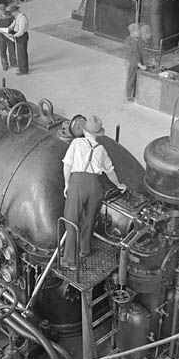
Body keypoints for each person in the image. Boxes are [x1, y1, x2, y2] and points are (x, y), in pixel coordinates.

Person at [62, 115, 126, 269]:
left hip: (78, 183)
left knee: (72, 219)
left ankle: (70, 260)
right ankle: (84, 250)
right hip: (95, 186)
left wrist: (66, 184)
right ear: (97, 134)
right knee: (89, 219)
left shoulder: (77, 142)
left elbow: (67, 165)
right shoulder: (101, 149)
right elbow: (110, 171)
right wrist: (118, 185)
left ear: (84, 131)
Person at [124, 22, 151, 102]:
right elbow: (132, 56)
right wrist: (140, 65)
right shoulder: (128, 42)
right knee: (131, 78)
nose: (139, 32)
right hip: (131, 63)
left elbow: (143, 43)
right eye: (137, 31)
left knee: (136, 78)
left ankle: (135, 94)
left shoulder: (136, 39)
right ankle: (129, 96)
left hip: (137, 61)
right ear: (132, 32)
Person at [7, 4, 29, 75]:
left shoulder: (22, 18)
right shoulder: (17, 17)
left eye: (12, 12)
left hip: (22, 37)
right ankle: (21, 67)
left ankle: (23, 70)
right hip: (19, 36)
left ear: (16, 11)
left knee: (22, 54)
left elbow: (21, 32)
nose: (12, 14)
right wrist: (9, 28)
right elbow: (14, 23)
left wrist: (13, 35)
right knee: (20, 53)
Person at [0, 4, 17, 71]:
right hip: (1, 36)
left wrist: (11, 29)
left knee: (12, 49)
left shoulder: (10, 16)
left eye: (3, 10)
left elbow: (14, 23)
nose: (2, 12)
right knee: (2, 51)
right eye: (1, 11)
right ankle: (4, 64)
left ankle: (13, 63)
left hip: (9, 35)